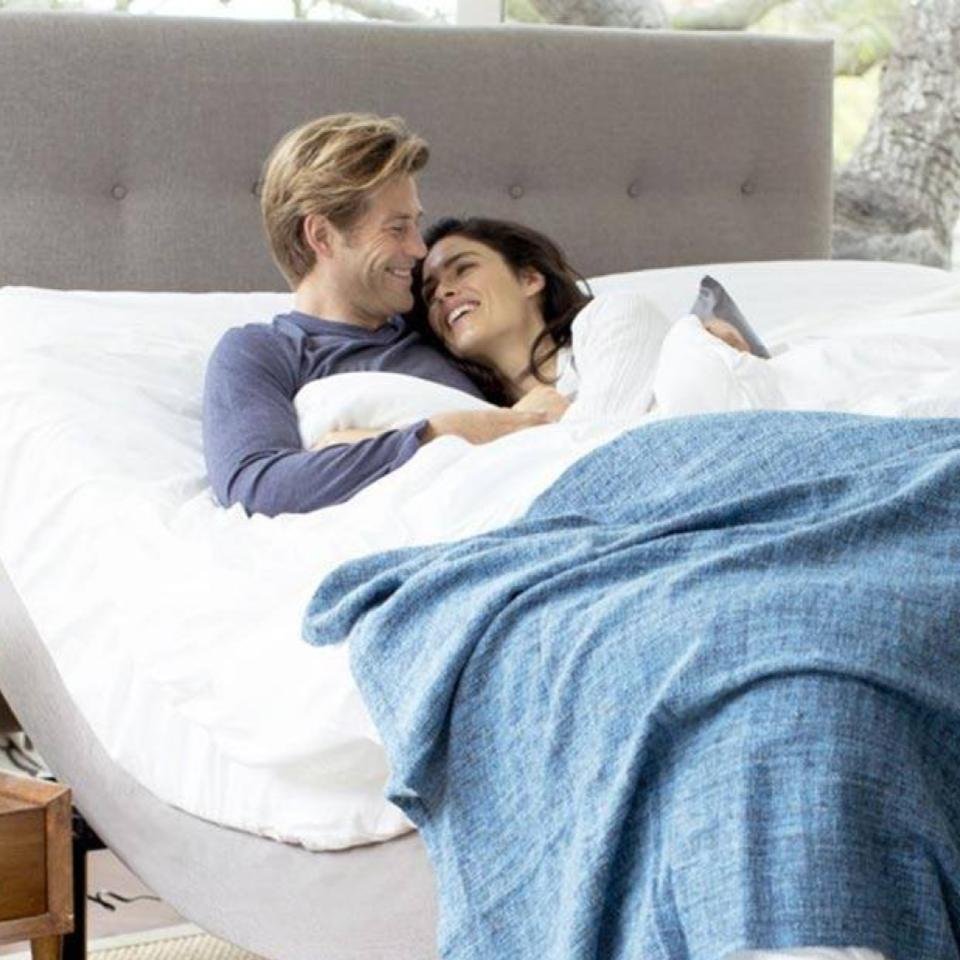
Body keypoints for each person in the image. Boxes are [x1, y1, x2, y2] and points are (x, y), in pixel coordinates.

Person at [202, 115, 559, 518]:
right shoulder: (262, 351)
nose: (419, 250)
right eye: (397, 229)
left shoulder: (439, 322)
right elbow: (257, 486)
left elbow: (543, 397)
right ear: (321, 236)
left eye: (415, 226)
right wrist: (439, 434)